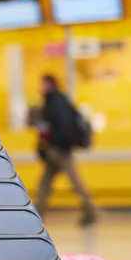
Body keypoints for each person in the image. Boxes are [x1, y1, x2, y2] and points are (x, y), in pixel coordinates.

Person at [34, 73, 99, 226]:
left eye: (42, 83)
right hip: (57, 150)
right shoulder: (60, 99)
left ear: (48, 84)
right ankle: (37, 217)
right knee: (45, 184)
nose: (40, 87)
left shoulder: (54, 101)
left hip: (58, 150)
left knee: (73, 183)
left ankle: (91, 211)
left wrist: (57, 143)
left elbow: (59, 126)